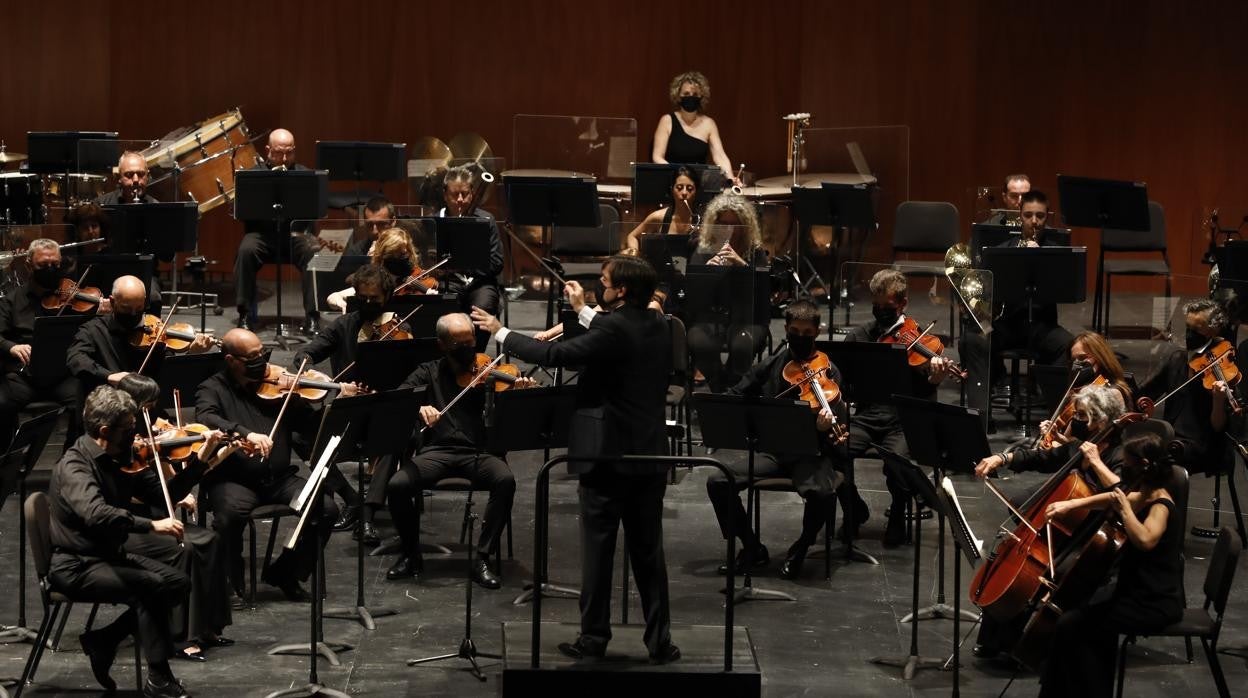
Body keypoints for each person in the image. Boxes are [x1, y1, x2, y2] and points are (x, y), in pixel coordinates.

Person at [471, 255, 679, 663]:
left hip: (606, 457)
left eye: (604, 281)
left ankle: (594, 638)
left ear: (620, 290)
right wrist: (582, 308)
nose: (599, 285)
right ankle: (660, 643)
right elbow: (606, 328)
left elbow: (555, 356)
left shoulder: (614, 328)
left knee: (598, 553)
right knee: (649, 555)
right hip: (649, 455)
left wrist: (501, 332)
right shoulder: (657, 322)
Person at [48, 385, 198, 697]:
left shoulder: (118, 457)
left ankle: (104, 640)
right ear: (105, 430)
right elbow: (96, 514)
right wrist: (152, 525)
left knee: (177, 583)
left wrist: (205, 462)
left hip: (107, 556)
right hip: (77, 565)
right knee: (151, 587)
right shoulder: (76, 466)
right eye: (129, 428)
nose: (136, 434)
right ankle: (160, 678)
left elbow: (162, 495)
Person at [971, 383, 1130, 659]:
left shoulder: (1120, 455)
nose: (1075, 422)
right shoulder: (1079, 447)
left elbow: (1120, 492)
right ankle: (993, 638)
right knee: (1010, 554)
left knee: (1042, 575)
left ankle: (1024, 642)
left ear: (1101, 420)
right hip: (1062, 529)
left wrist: (1095, 463)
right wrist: (1003, 457)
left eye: (1081, 416)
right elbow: (1041, 457)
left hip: (1090, 536)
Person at [705, 299, 848, 578]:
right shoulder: (770, 364)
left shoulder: (828, 371)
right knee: (719, 480)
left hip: (810, 453)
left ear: (817, 332)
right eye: (795, 331)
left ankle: (802, 547)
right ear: (786, 329)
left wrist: (822, 427)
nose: (801, 338)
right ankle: (751, 547)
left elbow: (837, 415)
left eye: (807, 334)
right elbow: (737, 393)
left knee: (822, 493)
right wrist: (713, 408)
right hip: (772, 452)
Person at [194, 328, 340, 601]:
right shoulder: (212, 388)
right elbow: (207, 418)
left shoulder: (280, 387)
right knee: (228, 517)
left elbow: (310, 427)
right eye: (252, 357)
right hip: (232, 479)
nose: (261, 360)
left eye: (262, 353)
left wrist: (329, 403)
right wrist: (245, 432)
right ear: (231, 360)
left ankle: (286, 572)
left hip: (279, 480)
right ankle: (230, 581)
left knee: (326, 509)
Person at [1037, 432, 1183, 697]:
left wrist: (1125, 512)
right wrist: (1073, 504)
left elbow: (1146, 540)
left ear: (1143, 465)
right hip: (1132, 594)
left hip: (1153, 602)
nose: (1123, 468)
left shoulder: (1161, 503)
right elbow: (1115, 497)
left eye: (1127, 463)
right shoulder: (1146, 493)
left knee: (1074, 624)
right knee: (1078, 623)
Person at [384, 313, 523, 588]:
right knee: (398, 485)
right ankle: (411, 554)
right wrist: (418, 407)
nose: (468, 350)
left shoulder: (488, 373)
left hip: (479, 453)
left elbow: (511, 419)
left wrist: (519, 395)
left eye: (470, 341)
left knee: (505, 480)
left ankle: (482, 557)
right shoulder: (428, 372)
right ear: (443, 345)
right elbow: (398, 401)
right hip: (436, 452)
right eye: (459, 344)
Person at [115, 374, 236, 663]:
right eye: (149, 406)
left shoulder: (147, 440)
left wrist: (203, 458)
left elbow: (164, 490)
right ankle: (182, 637)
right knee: (187, 547)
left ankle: (208, 627)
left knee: (210, 538)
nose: (156, 414)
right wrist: (198, 463)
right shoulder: (118, 447)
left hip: (153, 514)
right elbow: (139, 496)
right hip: (130, 524)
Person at [844, 269, 954, 546]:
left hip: (903, 419)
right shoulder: (860, 336)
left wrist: (937, 376)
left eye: (888, 307)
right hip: (868, 417)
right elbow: (844, 379)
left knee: (897, 461)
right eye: (876, 306)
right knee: (832, 449)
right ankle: (853, 508)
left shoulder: (918, 338)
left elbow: (928, 387)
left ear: (902, 304)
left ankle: (898, 516)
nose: (881, 312)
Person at [294, 263, 399, 544]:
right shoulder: (343, 325)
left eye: (373, 299)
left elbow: (411, 374)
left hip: (383, 408)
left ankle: (367, 515)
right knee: (300, 435)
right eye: (361, 298)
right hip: (347, 407)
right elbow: (307, 352)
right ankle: (350, 498)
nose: (366, 304)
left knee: (394, 435)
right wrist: (307, 367)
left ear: (386, 296)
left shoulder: (399, 327)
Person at [959, 190, 1075, 418]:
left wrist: (1039, 260)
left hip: (1041, 326)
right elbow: (986, 291)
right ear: (1019, 215)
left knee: (1068, 344)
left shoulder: (1056, 253)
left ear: (1047, 216)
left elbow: (1064, 292)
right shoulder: (1002, 250)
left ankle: (1057, 416)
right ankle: (981, 415)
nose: (1034, 221)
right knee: (972, 338)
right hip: (1007, 323)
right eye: (1028, 215)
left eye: (1040, 216)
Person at [66, 275, 213, 405]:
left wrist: (192, 354)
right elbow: (76, 359)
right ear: (112, 301)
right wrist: (108, 376)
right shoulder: (93, 329)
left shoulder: (156, 332)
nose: (133, 313)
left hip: (146, 406)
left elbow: (168, 375)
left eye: (139, 308)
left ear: (144, 302)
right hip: (107, 407)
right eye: (126, 308)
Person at [0, 239, 87, 448]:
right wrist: (12, 347)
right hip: (25, 376)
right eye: (43, 265)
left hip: (61, 375)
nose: (50, 270)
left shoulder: (71, 298)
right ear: (29, 265)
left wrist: (103, 309)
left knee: (87, 404)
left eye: (55, 265)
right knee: (1, 405)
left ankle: (72, 461)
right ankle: (6, 463)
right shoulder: (11, 301)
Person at [233, 128, 321, 334]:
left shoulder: (304, 175)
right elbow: (243, 213)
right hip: (262, 235)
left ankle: (313, 316)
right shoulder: (253, 175)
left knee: (313, 251)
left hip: (295, 236)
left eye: (289, 152)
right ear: (268, 150)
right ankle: (245, 314)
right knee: (246, 250)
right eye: (279, 152)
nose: (284, 158)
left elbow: (314, 211)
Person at [685, 193, 769, 392]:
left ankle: (734, 387)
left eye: (735, 224)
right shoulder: (704, 248)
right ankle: (718, 385)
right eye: (723, 223)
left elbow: (764, 292)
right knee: (699, 343)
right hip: (710, 317)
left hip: (747, 317)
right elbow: (693, 293)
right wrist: (707, 272)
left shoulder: (754, 250)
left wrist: (742, 266)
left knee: (742, 347)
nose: (729, 229)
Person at [1138, 298, 1233, 472]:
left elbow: (1218, 427)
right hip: (1171, 436)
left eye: (1196, 330)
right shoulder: (1178, 359)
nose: (1189, 335)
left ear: (1214, 330)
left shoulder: (1224, 367)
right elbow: (1145, 392)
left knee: (1155, 461)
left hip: (1203, 443)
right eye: (1188, 328)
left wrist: (1219, 399)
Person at [439, 165, 504, 351]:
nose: (460, 199)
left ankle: (475, 356)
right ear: (445, 194)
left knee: (482, 307)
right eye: (454, 194)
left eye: (465, 194)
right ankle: (447, 356)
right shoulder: (435, 221)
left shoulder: (486, 221)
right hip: (447, 282)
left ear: (472, 193)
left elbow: (497, 262)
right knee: (440, 304)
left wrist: (465, 265)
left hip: (480, 282)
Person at [1037, 331, 1136, 447]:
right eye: (1074, 360)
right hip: (1075, 453)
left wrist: (1050, 447)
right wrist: (1052, 438)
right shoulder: (1083, 390)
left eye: (1082, 358)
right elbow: (1068, 441)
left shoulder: (1112, 393)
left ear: (1100, 357)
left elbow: (1097, 445)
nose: (1078, 364)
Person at [651, 70, 740, 185]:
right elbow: (657, 157)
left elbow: (720, 156)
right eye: (686, 94)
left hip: (699, 184)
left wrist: (731, 178)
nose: (691, 97)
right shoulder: (667, 121)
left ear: (701, 97)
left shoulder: (709, 123)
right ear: (678, 96)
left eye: (695, 95)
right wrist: (680, 176)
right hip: (672, 184)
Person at [327, 227, 432, 313]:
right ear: (383, 257)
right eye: (392, 255)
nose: (399, 259)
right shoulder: (376, 281)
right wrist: (340, 302)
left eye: (403, 254)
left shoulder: (419, 278)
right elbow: (333, 296)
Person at [623, 166, 700, 253]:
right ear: (672, 190)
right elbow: (632, 237)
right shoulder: (658, 217)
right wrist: (634, 255)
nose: (684, 192)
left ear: (696, 191)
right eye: (679, 187)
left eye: (690, 189)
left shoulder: (704, 219)